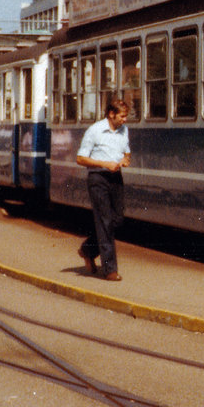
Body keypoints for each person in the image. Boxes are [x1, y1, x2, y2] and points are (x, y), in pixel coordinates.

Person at [76, 99, 131, 281]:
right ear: (111, 114)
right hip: (98, 178)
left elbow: (127, 152)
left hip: (116, 178)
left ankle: (88, 249)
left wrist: (125, 160)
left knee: (118, 219)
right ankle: (110, 270)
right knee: (105, 221)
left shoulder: (124, 130)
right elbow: (81, 158)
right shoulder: (95, 130)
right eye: (122, 116)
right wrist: (104, 163)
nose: (125, 120)